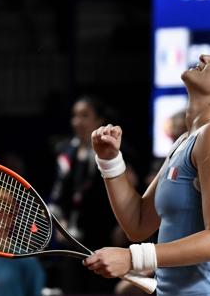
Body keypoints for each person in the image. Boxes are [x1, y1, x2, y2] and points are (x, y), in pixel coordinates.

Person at [83, 50, 210, 296]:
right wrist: (110, 161)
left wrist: (133, 258)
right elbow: (138, 223)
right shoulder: (187, 141)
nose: (205, 57)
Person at [47, 95, 136, 293]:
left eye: (85, 116)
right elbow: (58, 193)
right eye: (75, 116)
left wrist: (122, 226)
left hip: (104, 233)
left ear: (99, 121)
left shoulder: (115, 149)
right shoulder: (64, 151)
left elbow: (130, 190)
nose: (77, 122)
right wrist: (59, 222)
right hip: (73, 238)